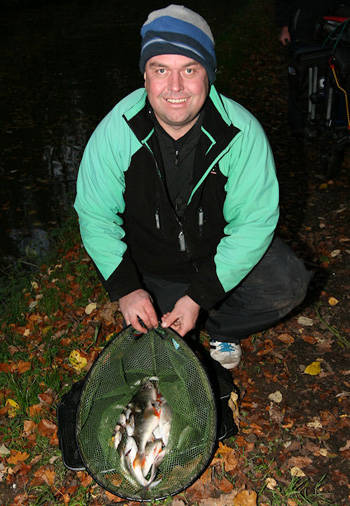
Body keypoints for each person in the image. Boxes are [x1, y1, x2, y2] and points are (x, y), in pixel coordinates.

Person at [74, 4, 312, 374]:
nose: (175, 87)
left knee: (287, 282)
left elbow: (254, 224)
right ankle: (185, 316)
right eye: (160, 70)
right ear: (145, 77)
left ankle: (221, 328)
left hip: (218, 258)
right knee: (154, 358)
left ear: (209, 74)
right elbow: (95, 213)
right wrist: (126, 288)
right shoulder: (115, 131)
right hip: (153, 270)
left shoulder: (241, 133)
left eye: (189, 69)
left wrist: (199, 297)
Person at [275, 0, 350, 134]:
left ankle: (331, 118)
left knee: (333, 74)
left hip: (331, 30)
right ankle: (299, 124)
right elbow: (283, 3)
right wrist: (284, 27)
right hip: (302, 29)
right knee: (300, 74)